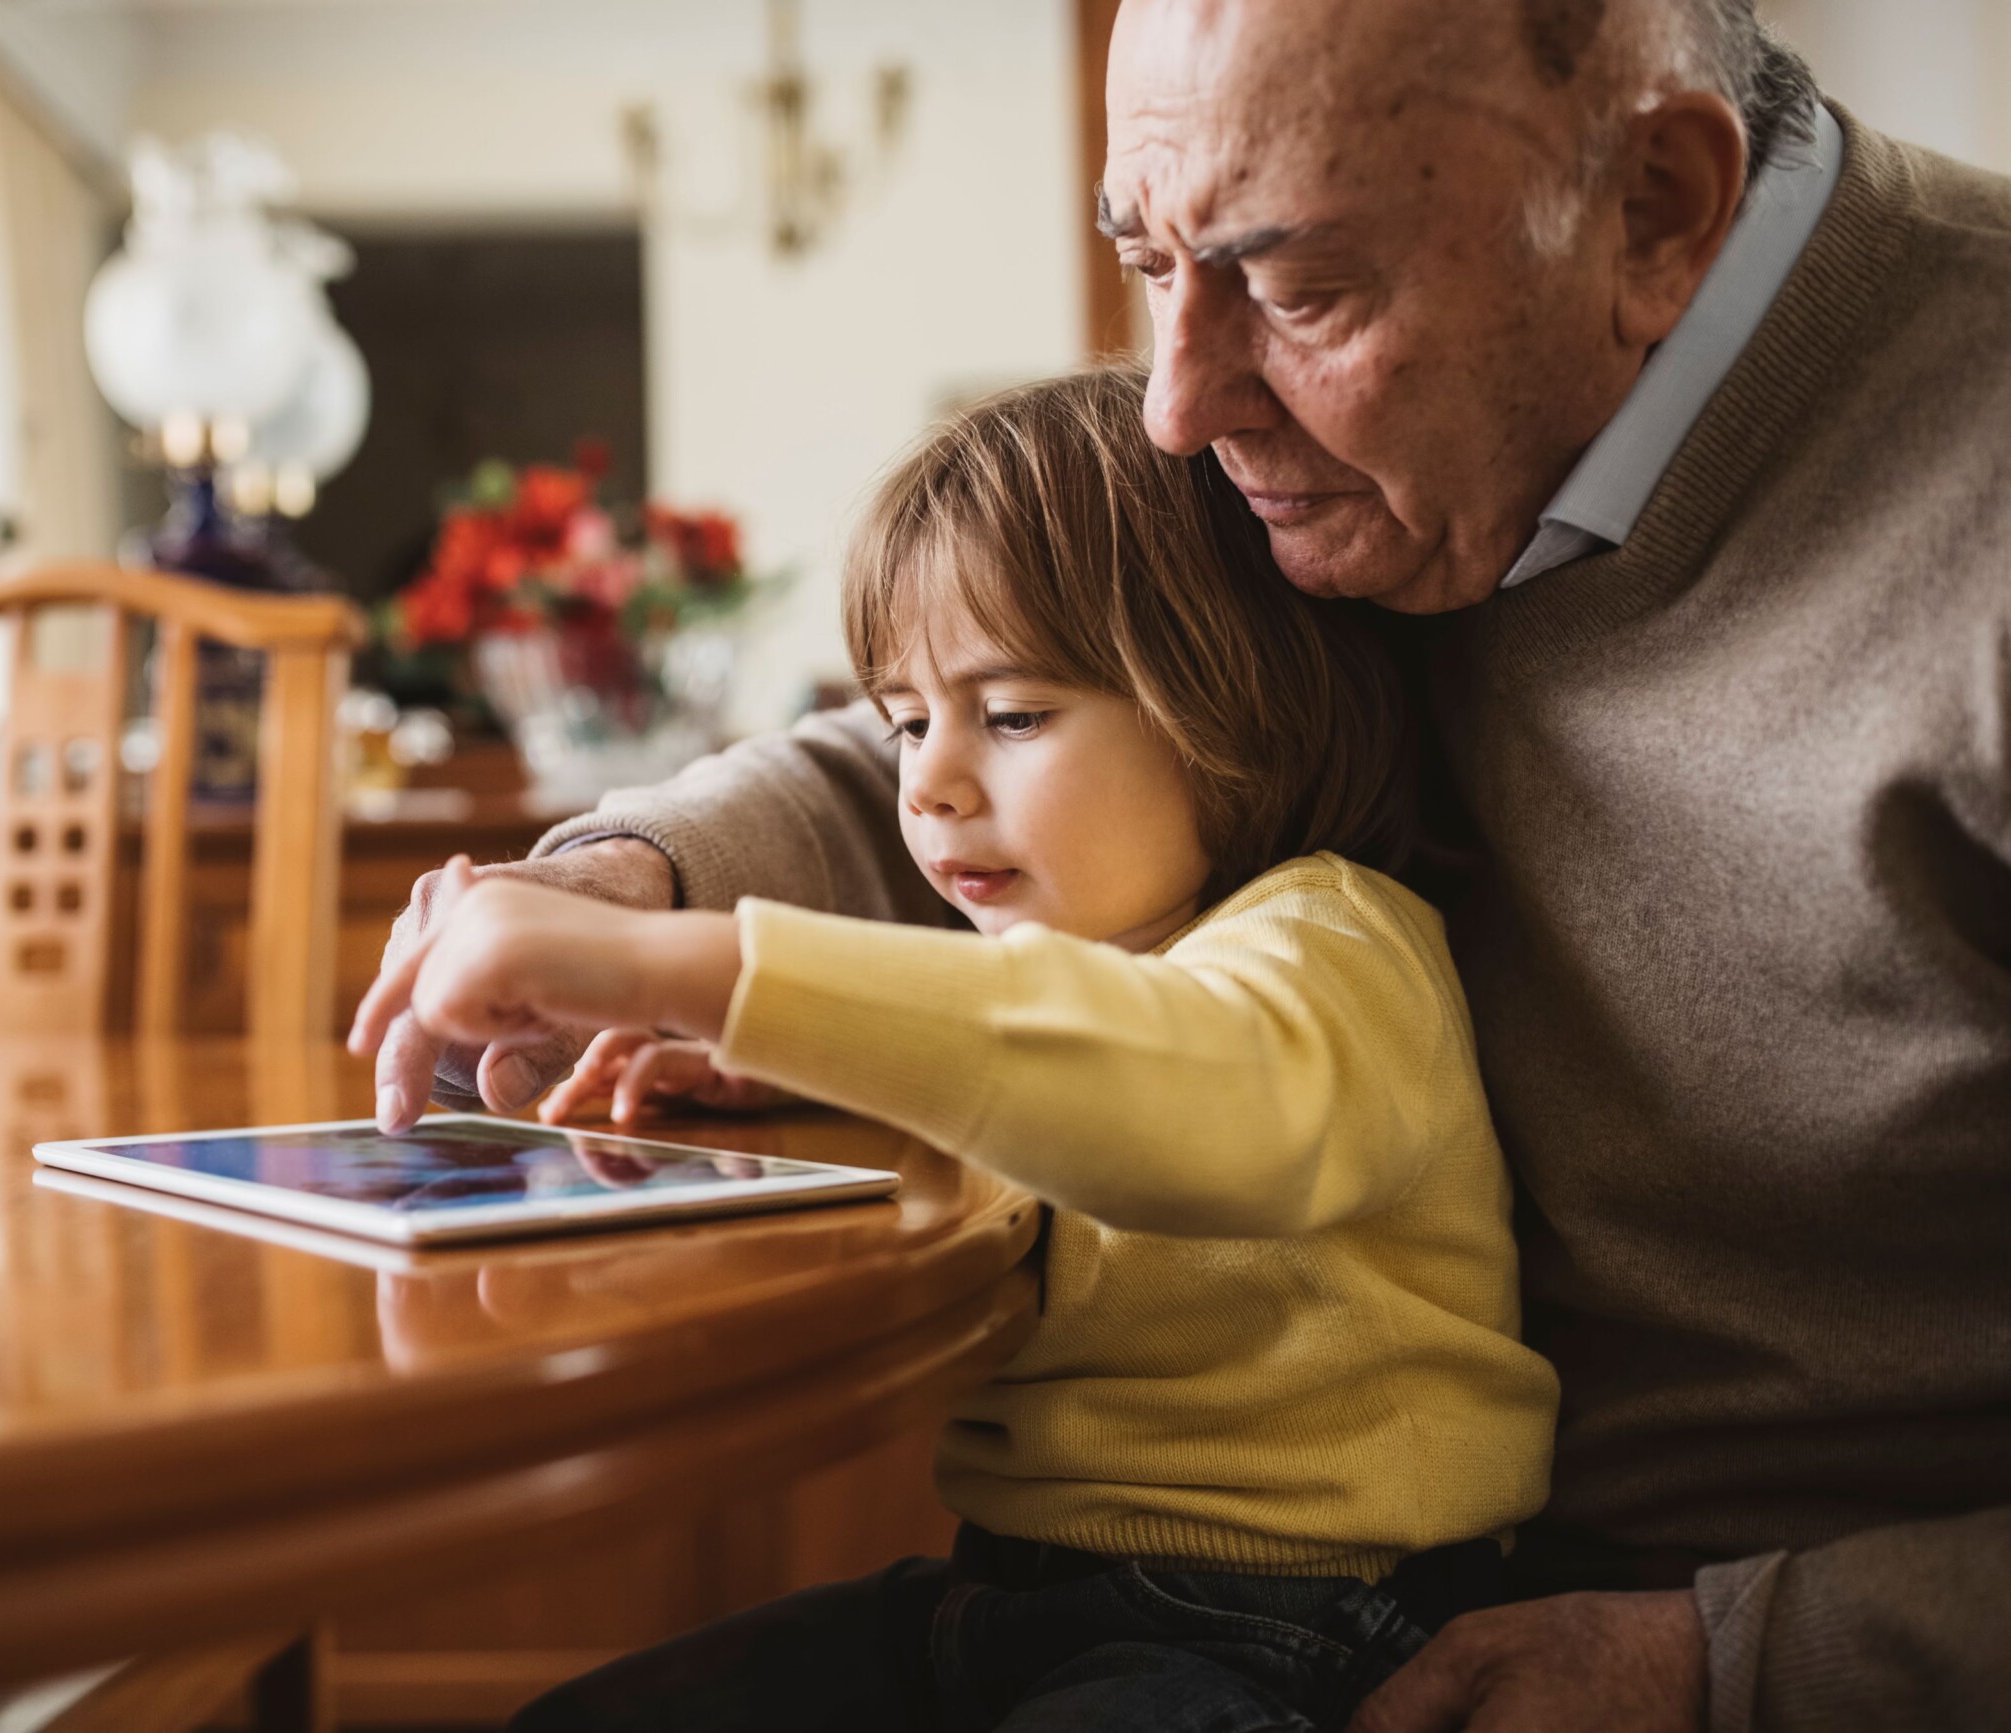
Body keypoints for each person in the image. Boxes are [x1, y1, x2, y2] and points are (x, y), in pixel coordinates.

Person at [367, 2, 2011, 1726]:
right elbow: (1017, 719)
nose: (1175, 407)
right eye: (1150, 261)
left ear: (1657, 208)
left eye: (1299, 291)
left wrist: (1741, 1660)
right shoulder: (1384, 439)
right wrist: (631, 879)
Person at [353, 368, 1562, 1730]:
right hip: (1008, 1596)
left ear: (1234, 693)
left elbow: (1180, 1093)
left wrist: (674, 962)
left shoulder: (1336, 944)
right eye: (908, 720)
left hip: (1306, 1625)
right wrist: (802, 1051)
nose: (926, 783)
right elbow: (1018, 1042)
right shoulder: (1037, 965)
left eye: (1015, 713)